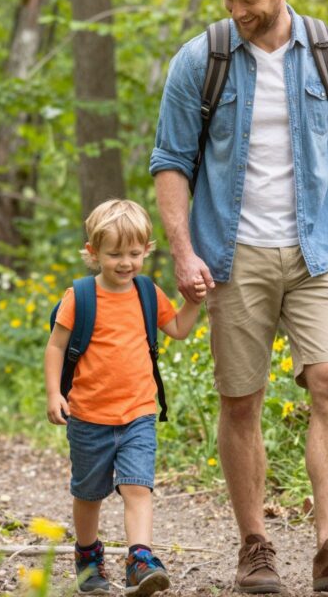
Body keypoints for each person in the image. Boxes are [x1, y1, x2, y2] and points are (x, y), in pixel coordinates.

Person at [149, 0, 328, 593]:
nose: (238, 10)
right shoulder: (199, 60)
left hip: (318, 250)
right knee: (242, 401)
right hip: (232, 257)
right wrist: (182, 251)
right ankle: (255, 544)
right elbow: (171, 163)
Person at [44, 199, 203, 596]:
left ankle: (140, 558)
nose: (125, 262)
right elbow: (55, 347)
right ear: (92, 252)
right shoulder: (79, 296)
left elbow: (179, 329)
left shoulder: (147, 293)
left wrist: (195, 302)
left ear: (147, 250)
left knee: (138, 487)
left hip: (138, 413)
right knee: (89, 492)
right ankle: (87, 555)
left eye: (134, 253)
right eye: (114, 253)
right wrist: (53, 394)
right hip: (88, 416)